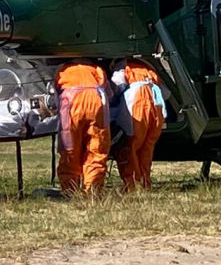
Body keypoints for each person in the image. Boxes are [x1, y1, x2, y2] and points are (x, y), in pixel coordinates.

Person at [55, 59, 111, 195]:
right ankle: (93, 189)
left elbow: (54, 94)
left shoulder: (63, 69)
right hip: (97, 100)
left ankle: (70, 190)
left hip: (71, 102)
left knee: (70, 148)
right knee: (97, 148)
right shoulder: (97, 69)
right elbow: (110, 93)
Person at [110, 58, 167, 191]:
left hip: (138, 105)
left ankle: (132, 184)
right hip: (156, 106)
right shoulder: (149, 70)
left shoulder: (122, 66)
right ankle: (145, 182)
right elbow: (166, 93)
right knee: (147, 146)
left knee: (131, 145)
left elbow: (117, 85)